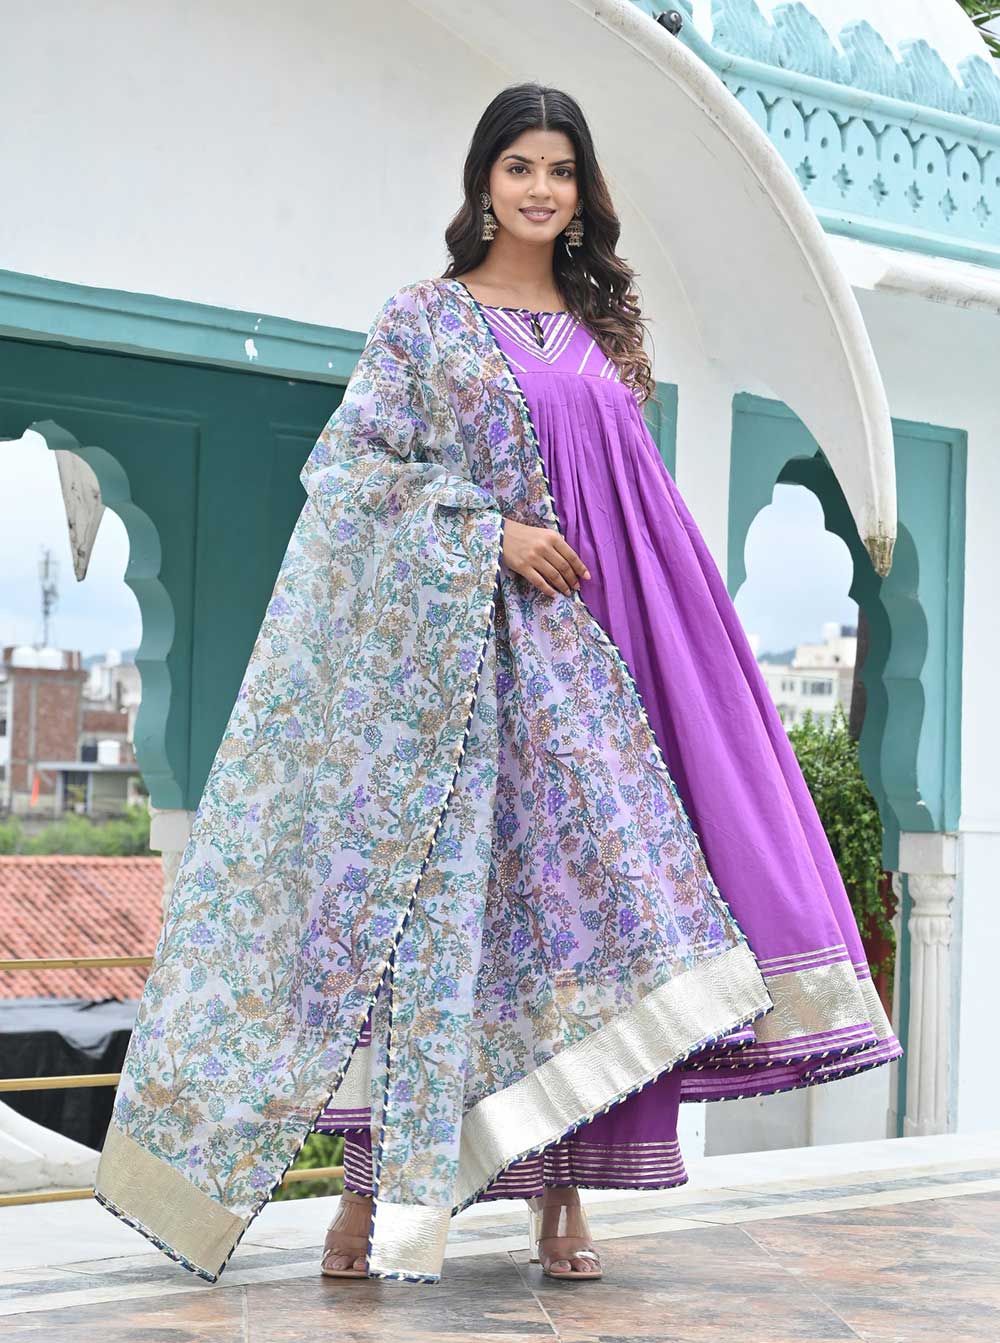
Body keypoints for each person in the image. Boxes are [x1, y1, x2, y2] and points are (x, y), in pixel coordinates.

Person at [316, 82, 902, 1283]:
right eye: (519, 165)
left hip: (600, 645)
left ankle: (563, 1190)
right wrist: (488, 532)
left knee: (594, 919)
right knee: (432, 913)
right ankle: (366, 1191)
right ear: (483, 180)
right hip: (462, 656)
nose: (540, 188)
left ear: (582, 193)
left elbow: (633, 502)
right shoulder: (422, 320)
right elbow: (350, 471)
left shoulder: (605, 332)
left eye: (561, 170)